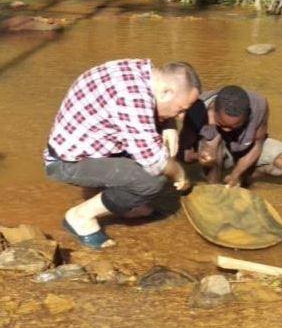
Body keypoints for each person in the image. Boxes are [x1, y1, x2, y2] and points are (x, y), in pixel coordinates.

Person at [44, 59, 201, 249]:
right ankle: (80, 217)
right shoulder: (132, 98)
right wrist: (180, 175)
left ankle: (124, 205)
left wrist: (169, 126)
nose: (181, 117)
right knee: (152, 179)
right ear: (167, 92)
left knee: (155, 148)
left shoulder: (142, 72)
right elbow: (155, 163)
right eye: (181, 109)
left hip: (87, 145)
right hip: (65, 163)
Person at [178, 85, 282, 188]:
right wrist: (198, 156)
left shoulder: (259, 105)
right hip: (217, 154)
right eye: (221, 124)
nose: (227, 130)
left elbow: (257, 144)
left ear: (247, 115)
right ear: (213, 110)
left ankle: (247, 178)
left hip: (245, 149)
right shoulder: (197, 110)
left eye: (235, 126)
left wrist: (235, 176)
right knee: (212, 141)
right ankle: (216, 190)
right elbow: (182, 155)